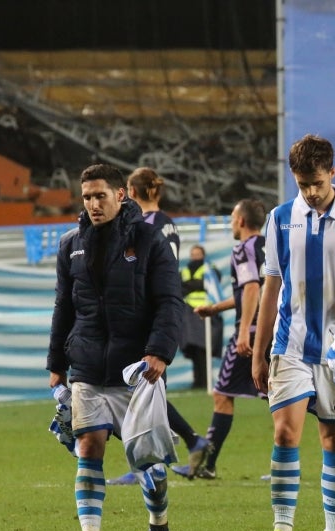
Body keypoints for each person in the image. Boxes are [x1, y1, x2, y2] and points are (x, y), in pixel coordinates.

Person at [250, 134, 335, 531]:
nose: (310, 192)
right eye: (303, 184)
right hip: (290, 343)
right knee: (285, 432)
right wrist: (258, 345)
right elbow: (271, 285)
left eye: (317, 184)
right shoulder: (280, 218)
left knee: (334, 439)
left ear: (333, 174)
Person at [47, 163, 185, 531]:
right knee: (89, 445)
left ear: (120, 194)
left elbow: (169, 302)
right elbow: (63, 307)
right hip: (87, 366)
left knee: (147, 457)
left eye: (100, 196)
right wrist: (56, 361)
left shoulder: (149, 240)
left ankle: (158, 529)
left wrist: (158, 352)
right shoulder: (71, 244)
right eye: (87, 196)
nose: (92, 203)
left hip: (135, 369)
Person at [108, 168, 212, 485]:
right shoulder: (168, 222)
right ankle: (190, 440)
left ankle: (148, 463)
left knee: (138, 392)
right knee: (148, 391)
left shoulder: (146, 225)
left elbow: (139, 270)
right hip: (163, 313)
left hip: (146, 315)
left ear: (132, 192)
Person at [171, 199, 269, 480]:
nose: (230, 224)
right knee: (278, 397)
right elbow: (255, 291)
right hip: (274, 330)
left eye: (231, 218)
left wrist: (243, 330)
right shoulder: (268, 248)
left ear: (240, 221)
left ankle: (206, 464)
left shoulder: (242, 249)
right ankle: (284, 466)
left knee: (222, 396)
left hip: (250, 334)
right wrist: (215, 308)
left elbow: (251, 290)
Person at [180, 244, 224, 389]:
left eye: (198, 254)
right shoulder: (185, 270)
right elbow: (179, 286)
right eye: (193, 254)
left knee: (204, 348)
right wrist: (196, 284)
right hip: (189, 313)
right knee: (193, 348)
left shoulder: (209, 268)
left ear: (203, 255)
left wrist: (190, 285)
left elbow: (212, 282)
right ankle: (198, 381)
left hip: (206, 312)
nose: (195, 257)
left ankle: (205, 381)